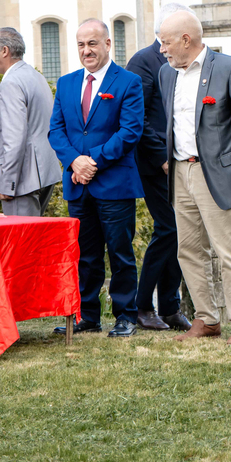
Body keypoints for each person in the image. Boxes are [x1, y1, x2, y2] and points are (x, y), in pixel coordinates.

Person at [158, 10, 231, 346]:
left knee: (227, 248)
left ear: (186, 40)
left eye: (166, 42)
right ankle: (206, 319)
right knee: (188, 249)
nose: (162, 49)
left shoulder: (229, 68)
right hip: (179, 171)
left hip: (216, 172)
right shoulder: (166, 74)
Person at [48, 18, 145, 338]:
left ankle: (125, 315)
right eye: (80, 44)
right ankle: (87, 316)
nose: (86, 50)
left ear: (107, 44)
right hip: (77, 184)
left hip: (114, 183)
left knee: (120, 253)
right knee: (84, 255)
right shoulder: (65, 83)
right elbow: (56, 131)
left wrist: (94, 161)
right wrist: (75, 161)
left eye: (92, 43)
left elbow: (130, 131)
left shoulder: (128, 82)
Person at [125, 4, 193, 332]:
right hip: (155, 164)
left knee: (181, 234)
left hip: (182, 161)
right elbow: (139, 119)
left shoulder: (183, 61)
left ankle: (170, 306)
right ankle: (141, 306)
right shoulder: (143, 61)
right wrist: (162, 158)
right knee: (168, 229)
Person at [0, 27, 62, 216]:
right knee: (33, 239)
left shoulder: (11, 82)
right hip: (43, 173)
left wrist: (8, 183)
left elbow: (14, 138)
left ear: (5, 51)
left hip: (22, 180)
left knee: (21, 242)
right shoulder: (35, 76)